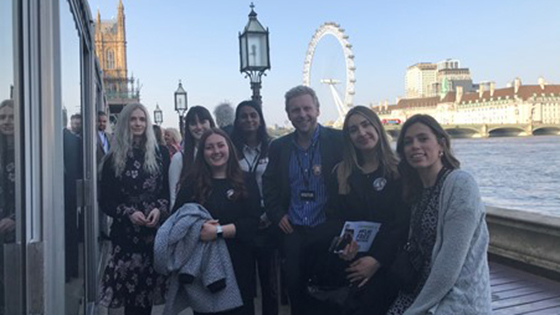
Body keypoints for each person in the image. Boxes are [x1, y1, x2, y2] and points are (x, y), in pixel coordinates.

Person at [386, 114, 491, 315]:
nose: (415, 146)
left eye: (423, 139)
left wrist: (414, 310)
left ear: (441, 145)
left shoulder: (461, 184)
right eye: (408, 142)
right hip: (419, 287)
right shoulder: (416, 191)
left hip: (456, 297)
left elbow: (449, 264)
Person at [262, 85, 343, 315]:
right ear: (288, 115)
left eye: (307, 108)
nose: (302, 114)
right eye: (295, 110)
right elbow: (269, 184)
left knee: (330, 291)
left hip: (327, 227)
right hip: (293, 230)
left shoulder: (338, 141)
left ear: (317, 109)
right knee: (296, 291)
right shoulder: (279, 147)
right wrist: (276, 214)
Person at [325, 106, 409, 315]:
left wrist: (377, 260)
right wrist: (343, 245)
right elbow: (334, 217)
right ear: (348, 137)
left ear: (377, 127)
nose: (361, 133)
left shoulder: (400, 171)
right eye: (353, 130)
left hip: (389, 264)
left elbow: (402, 223)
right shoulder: (341, 173)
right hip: (351, 263)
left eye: (366, 125)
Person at [172, 128, 260, 315]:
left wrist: (218, 231)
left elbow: (253, 222)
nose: (216, 151)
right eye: (209, 147)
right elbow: (177, 220)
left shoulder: (247, 180)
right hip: (204, 270)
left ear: (229, 148)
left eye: (221, 145)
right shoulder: (191, 183)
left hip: (239, 265)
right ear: (202, 153)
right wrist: (198, 228)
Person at [99, 103, 169, 315]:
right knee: (131, 301)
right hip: (126, 236)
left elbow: (166, 193)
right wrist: (128, 213)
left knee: (145, 299)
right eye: (133, 119)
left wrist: (159, 209)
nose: (137, 123)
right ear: (124, 123)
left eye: (142, 119)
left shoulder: (161, 153)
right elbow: (106, 201)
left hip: (153, 234)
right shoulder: (112, 159)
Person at [231, 100, 279, 315]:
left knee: (270, 282)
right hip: (244, 223)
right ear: (238, 121)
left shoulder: (274, 148)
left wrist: (272, 213)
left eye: (253, 115)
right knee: (245, 282)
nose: (249, 120)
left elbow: (281, 184)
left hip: (270, 222)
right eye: (244, 116)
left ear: (260, 119)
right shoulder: (231, 150)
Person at [168, 106, 215, 208]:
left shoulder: (218, 155)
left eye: (202, 122)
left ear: (210, 123)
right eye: (193, 123)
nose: (198, 127)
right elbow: (173, 196)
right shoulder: (179, 159)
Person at [0, 100, 15, 311]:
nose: (6, 121)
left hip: (17, 226)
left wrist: (16, 218)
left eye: (12, 117)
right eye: (2, 117)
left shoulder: (31, 149)